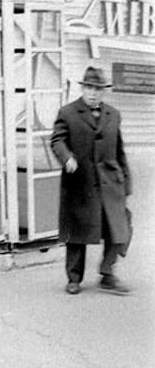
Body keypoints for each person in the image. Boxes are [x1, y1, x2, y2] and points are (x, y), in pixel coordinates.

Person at [51, 65, 132, 296]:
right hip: (81, 182)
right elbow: (57, 140)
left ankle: (107, 274)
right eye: (89, 88)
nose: (93, 93)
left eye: (98, 89)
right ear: (82, 88)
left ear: (104, 91)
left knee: (118, 229)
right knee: (77, 232)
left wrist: (126, 181)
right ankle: (74, 278)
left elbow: (119, 150)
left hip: (110, 182)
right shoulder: (68, 113)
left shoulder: (113, 114)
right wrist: (66, 158)